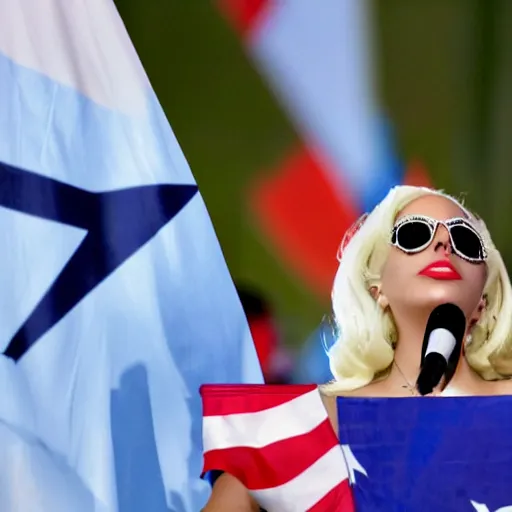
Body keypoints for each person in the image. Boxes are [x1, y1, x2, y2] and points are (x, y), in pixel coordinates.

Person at [200, 185, 512, 511]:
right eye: (414, 233)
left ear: (482, 303)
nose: (443, 243)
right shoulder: (285, 430)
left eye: (465, 241)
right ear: (377, 288)